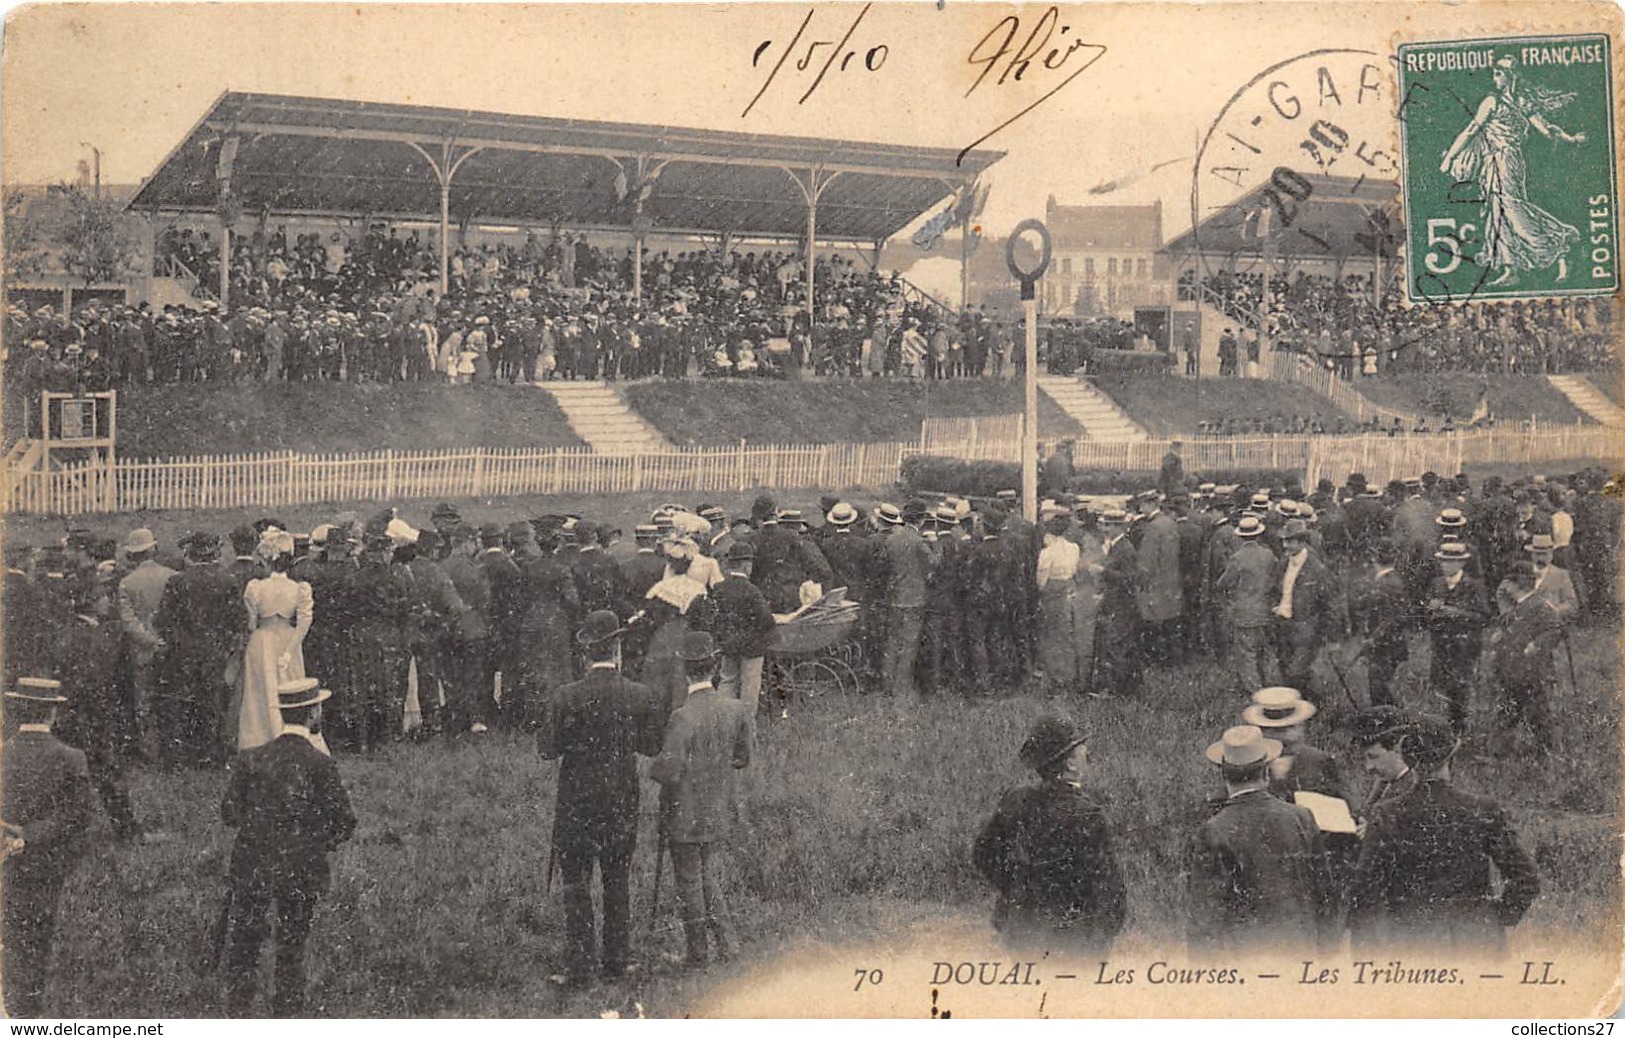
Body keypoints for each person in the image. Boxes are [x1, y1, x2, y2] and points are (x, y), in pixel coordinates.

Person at [539, 611, 663, 985]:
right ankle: (617, 961)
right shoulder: (638, 695)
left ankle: (579, 966)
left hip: (576, 800)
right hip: (622, 797)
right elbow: (652, 745)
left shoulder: (566, 696)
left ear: (585, 653)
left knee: (576, 881)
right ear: (618, 647)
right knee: (616, 879)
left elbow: (547, 748)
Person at [221, 679, 356, 1016]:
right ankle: (287, 1012)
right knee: (292, 945)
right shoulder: (320, 764)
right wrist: (317, 842)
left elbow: (229, 811)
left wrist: (259, 831)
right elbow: (344, 822)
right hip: (301, 867)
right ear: (314, 713)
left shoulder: (252, 759)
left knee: (246, 943)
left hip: (252, 862)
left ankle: (238, 1010)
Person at [1347, 714, 1539, 950]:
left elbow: (1365, 887)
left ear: (1407, 758)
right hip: (1477, 943)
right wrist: (1494, 918)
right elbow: (1526, 877)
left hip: (1413, 943)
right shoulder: (1482, 808)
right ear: (1452, 756)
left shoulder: (1386, 813)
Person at [972, 715, 1126, 954]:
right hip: (1074, 940)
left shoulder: (1017, 799)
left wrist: (1017, 890)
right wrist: (1103, 934)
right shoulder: (1088, 815)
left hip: (1023, 931)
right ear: (1070, 764)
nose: (1088, 755)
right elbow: (1109, 889)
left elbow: (983, 854)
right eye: (1082, 750)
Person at [649, 632, 753, 969]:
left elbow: (668, 769)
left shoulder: (682, 716)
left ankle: (698, 953)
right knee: (709, 876)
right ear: (717, 667)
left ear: (685, 672)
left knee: (690, 882)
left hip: (685, 815)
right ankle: (729, 942)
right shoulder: (736, 710)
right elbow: (742, 757)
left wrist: (655, 767)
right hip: (720, 809)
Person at [1439, 54, 1586, 288]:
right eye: (1494, 73)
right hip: (1492, 161)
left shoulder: (1515, 103)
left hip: (1508, 160)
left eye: (1499, 73)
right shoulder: (1495, 101)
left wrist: (1570, 138)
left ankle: (1560, 243)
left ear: (1510, 76)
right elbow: (1471, 130)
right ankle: (1511, 269)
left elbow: (1546, 129)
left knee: (1512, 207)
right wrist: (1452, 156)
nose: (1494, 77)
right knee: (1496, 212)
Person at [1188, 725, 1332, 954]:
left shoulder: (1213, 830)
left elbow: (1205, 919)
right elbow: (1324, 895)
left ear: (1224, 774)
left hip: (1246, 959)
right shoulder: (1301, 817)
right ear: (1266, 773)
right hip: (1300, 951)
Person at [2, 678, 93, 1018]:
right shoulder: (71, 758)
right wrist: (31, 834)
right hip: (43, 865)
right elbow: (78, 816)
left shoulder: (4, 752)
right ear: (53, 713)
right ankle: (26, 1014)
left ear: (17, 710)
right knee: (35, 943)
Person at [152, 531, 242, 768]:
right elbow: (238, 622)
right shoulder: (228, 581)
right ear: (215, 553)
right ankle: (212, 755)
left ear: (191, 552)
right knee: (213, 703)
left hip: (183, 653)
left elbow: (162, 621)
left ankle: (183, 755)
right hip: (216, 651)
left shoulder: (177, 581)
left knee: (182, 704)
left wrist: (177, 641)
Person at [236, 529, 314, 753]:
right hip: (289, 639)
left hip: (262, 640)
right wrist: (291, 649)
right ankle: (292, 739)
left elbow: (252, 623)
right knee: (289, 686)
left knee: (260, 691)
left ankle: (259, 740)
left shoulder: (256, 588)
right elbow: (304, 622)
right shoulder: (299, 588)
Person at [1487, 559, 1565, 750]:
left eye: (1509, 582)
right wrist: (1500, 637)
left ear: (1517, 584)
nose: (1505, 586)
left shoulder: (1540, 606)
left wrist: (1535, 645)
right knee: (1507, 714)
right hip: (1512, 673)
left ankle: (1550, 752)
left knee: (1539, 717)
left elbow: (1555, 629)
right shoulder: (1515, 607)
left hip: (1533, 674)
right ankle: (1497, 752)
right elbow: (1511, 631)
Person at [117, 527, 176, 759]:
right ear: (154, 549)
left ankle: (149, 751)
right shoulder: (172, 576)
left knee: (144, 701)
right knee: (170, 698)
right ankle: (170, 748)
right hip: (170, 648)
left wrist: (150, 641)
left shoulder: (127, 583)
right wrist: (164, 641)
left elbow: (129, 622)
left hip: (143, 650)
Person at [1422, 541, 1490, 734]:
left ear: (1461, 563)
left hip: (1464, 647)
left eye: (1452, 562)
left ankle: (1459, 731)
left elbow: (1483, 617)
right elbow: (1427, 615)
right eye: (1444, 562)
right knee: (1441, 690)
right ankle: (1443, 731)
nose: (1447, 566)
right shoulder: (1436, 584)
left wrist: (1453, 612)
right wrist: (1431, 611)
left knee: (1460, 690)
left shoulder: (1473, 586)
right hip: (1441, 646)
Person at [1242, 686, 1347, 802]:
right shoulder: (1247, 766)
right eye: (1273, 730)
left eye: (1289, 728)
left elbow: (1340, 803)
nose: (1282, 737)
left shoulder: (1319, 760)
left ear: (1301, 727)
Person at [710, 541, 776, 715]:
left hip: (729, 645)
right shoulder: (752, 590)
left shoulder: (718, 588)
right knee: (750, 686)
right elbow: (767, 620)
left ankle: (724, 720)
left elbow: (713, 617)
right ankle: (746, 726)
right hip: (751, 648)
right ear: (747, 565)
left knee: (727, 681)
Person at [1271, 518, 1333, 703]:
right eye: (1284, 541)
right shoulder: (1283, 562)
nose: (1285, 545)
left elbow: (1328, 604)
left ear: (1302, 541)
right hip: (1284, 624)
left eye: (1289, 541)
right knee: (1284, 668)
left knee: (1296, 671)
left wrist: (1325, 635)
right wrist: (1276, 606)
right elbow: (1275, 588)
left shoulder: (1317, 569)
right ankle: (1301, 706)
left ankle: (1318, 703)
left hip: (1306, 629)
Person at [1216, 516, 1279, 694]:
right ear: (1258, 534)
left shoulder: (1237, 558)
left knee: (1247, 653)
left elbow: (1224, 583)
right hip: (1265, 610)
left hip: (1244, 612)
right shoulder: (1268, 555)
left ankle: (1255, 691)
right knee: (1262, 650)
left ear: (1241, 536)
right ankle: (1264, 683)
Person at [1092, 510, 1142, 697]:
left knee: (1116, 645)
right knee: (1119, 645)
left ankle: (1115, 689)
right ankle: (1126, 688)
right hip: (1117, 602)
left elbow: (1129, 579)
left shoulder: (1125, 549)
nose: (1105, 529)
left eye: (1108, 525)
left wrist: (1103, 571)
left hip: (1122, 604)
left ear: (1119, 527)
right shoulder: (1116, 546)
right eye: (1104, 525)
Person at [1034, 509, 1081, 697]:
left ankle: (1056, 678)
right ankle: (1069, 676)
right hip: (1067, 591)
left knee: (1051, 637)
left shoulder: (1047, 553)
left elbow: (1041, 580)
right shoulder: (1074, 548)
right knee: (1066, 636)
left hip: (1051, 595)